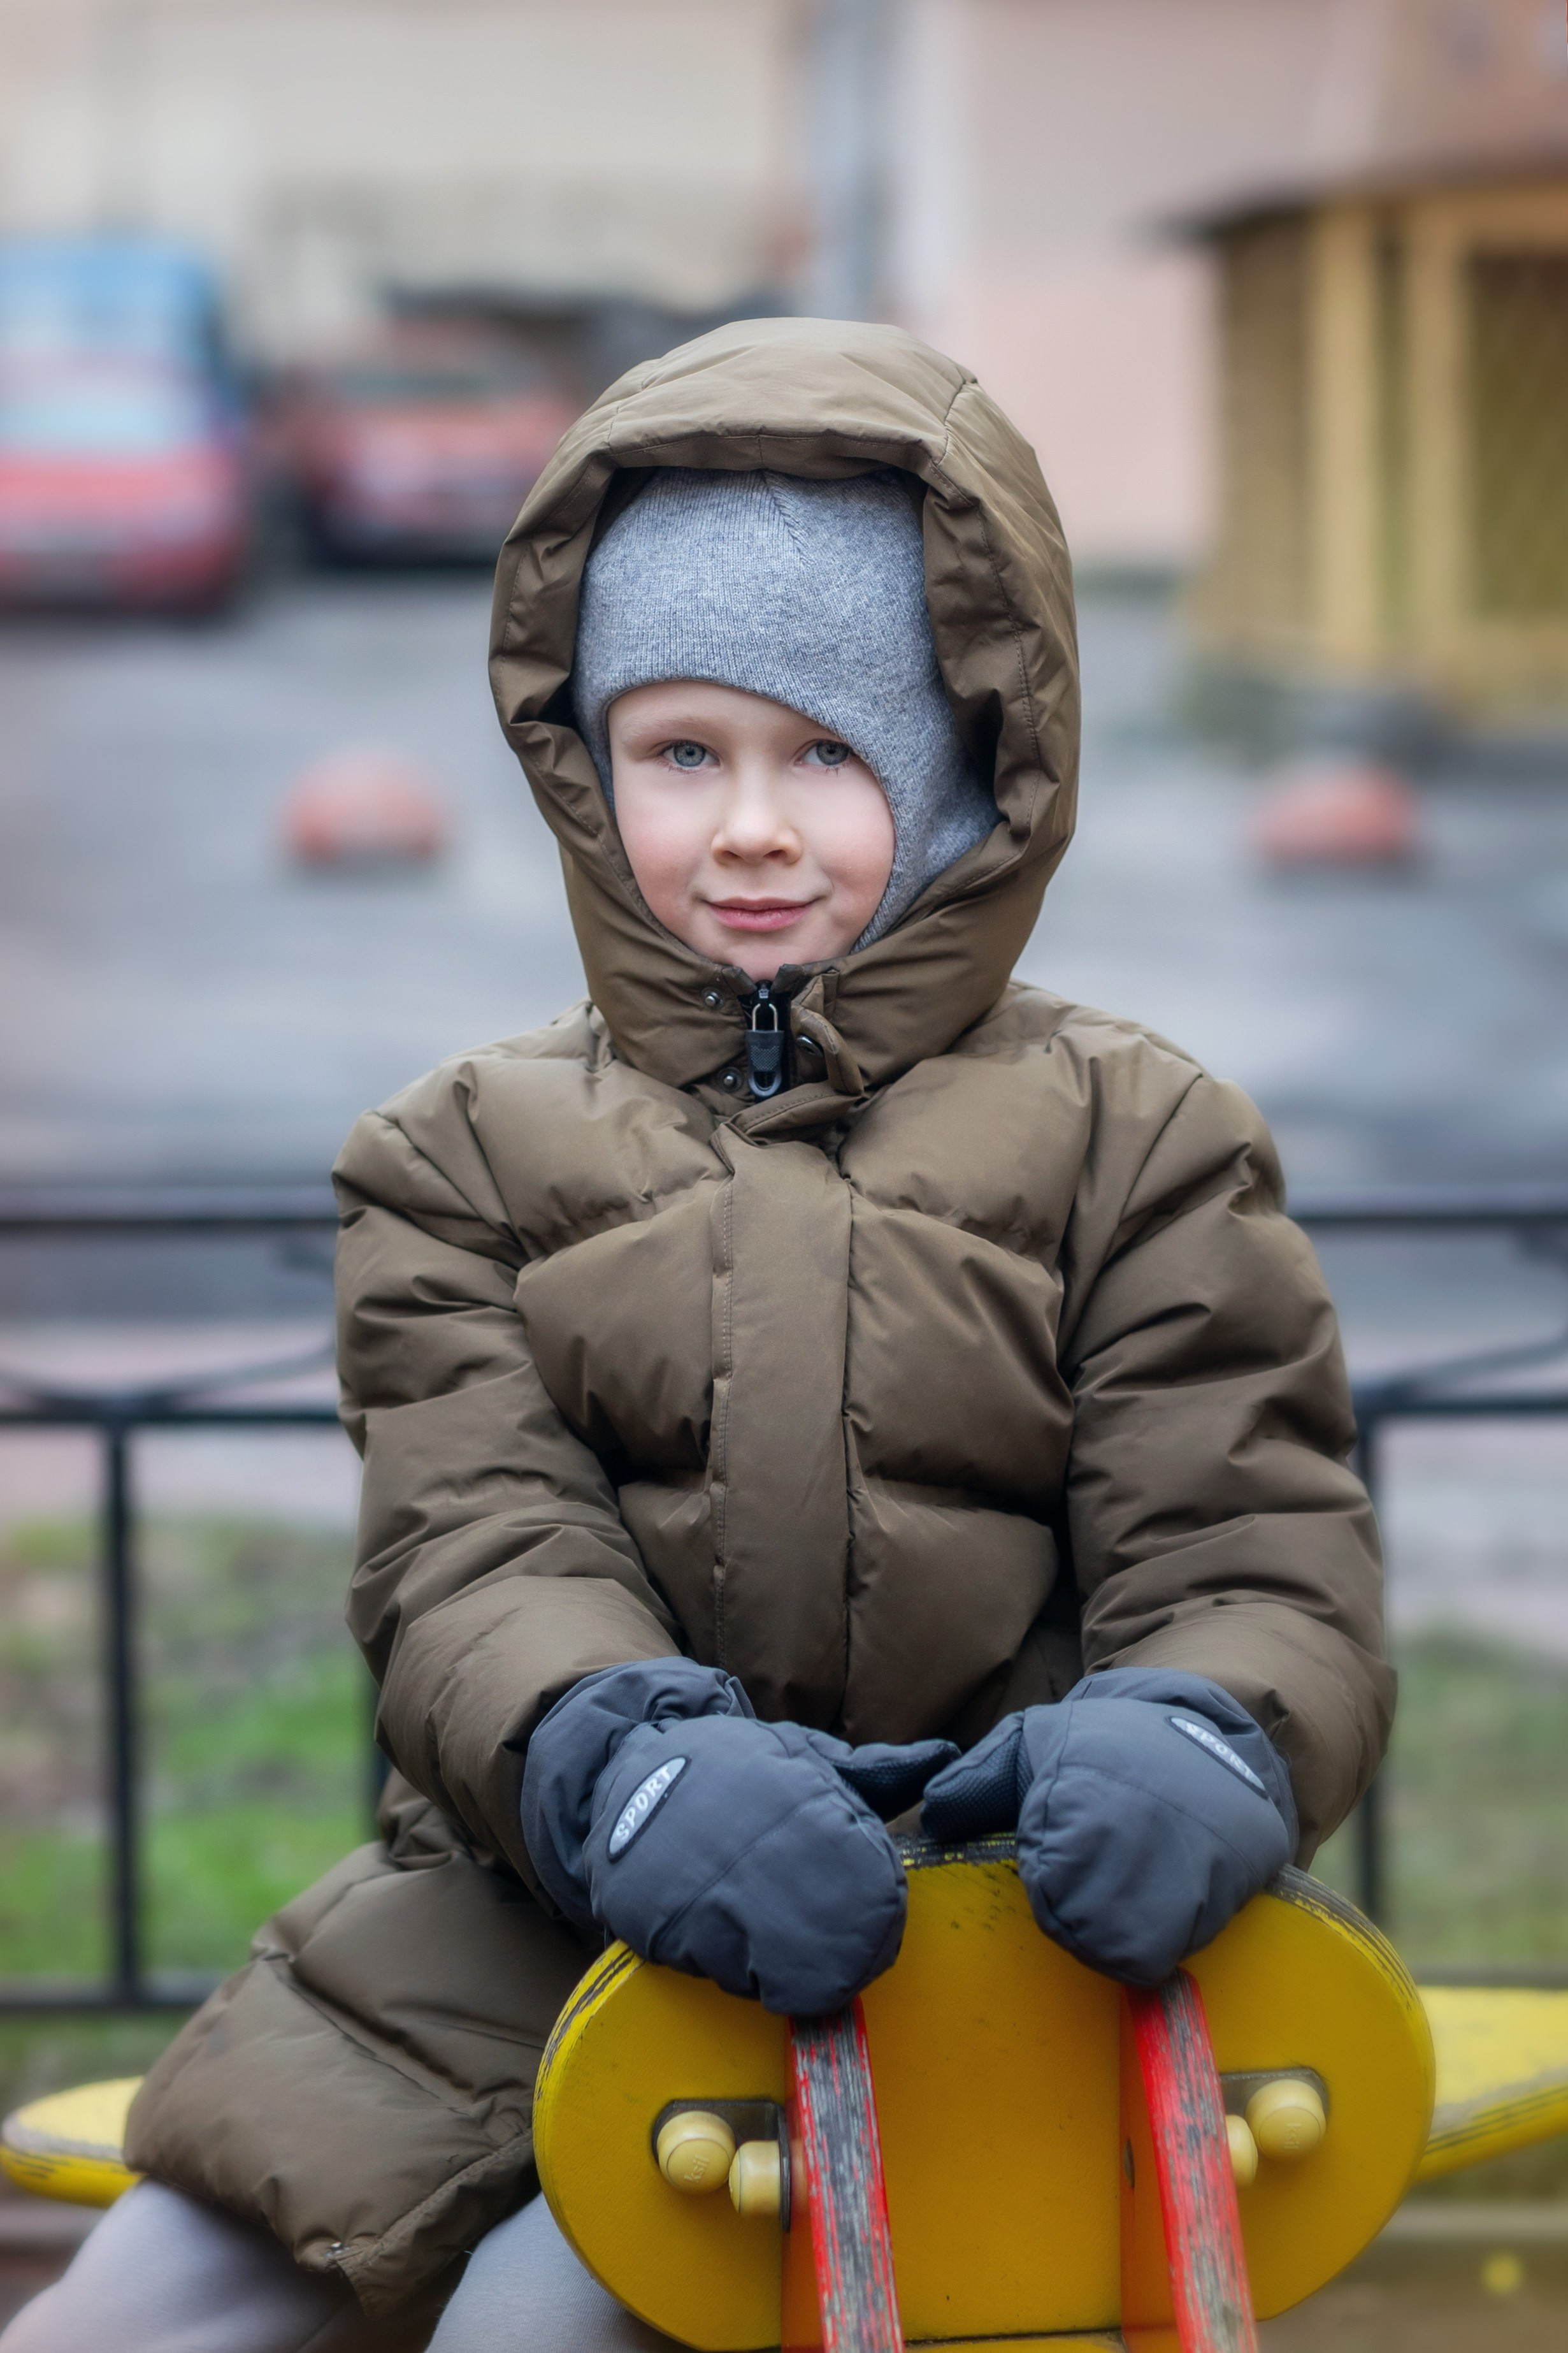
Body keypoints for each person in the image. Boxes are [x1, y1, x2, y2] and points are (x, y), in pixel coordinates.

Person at [1, 317, 1389, 2352]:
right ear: (585, 766)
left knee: (545, 2324)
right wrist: (614, 1763)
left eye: (826, 752)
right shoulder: (459, 1155)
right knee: (126, 2319)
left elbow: (1248, 1543)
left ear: (968, 775)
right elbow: (473, 1546)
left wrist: (1201, 1736)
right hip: (530, 1915)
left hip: (990, 1950)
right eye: (683, 752)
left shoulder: (1139, 1142)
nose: (748, 827)